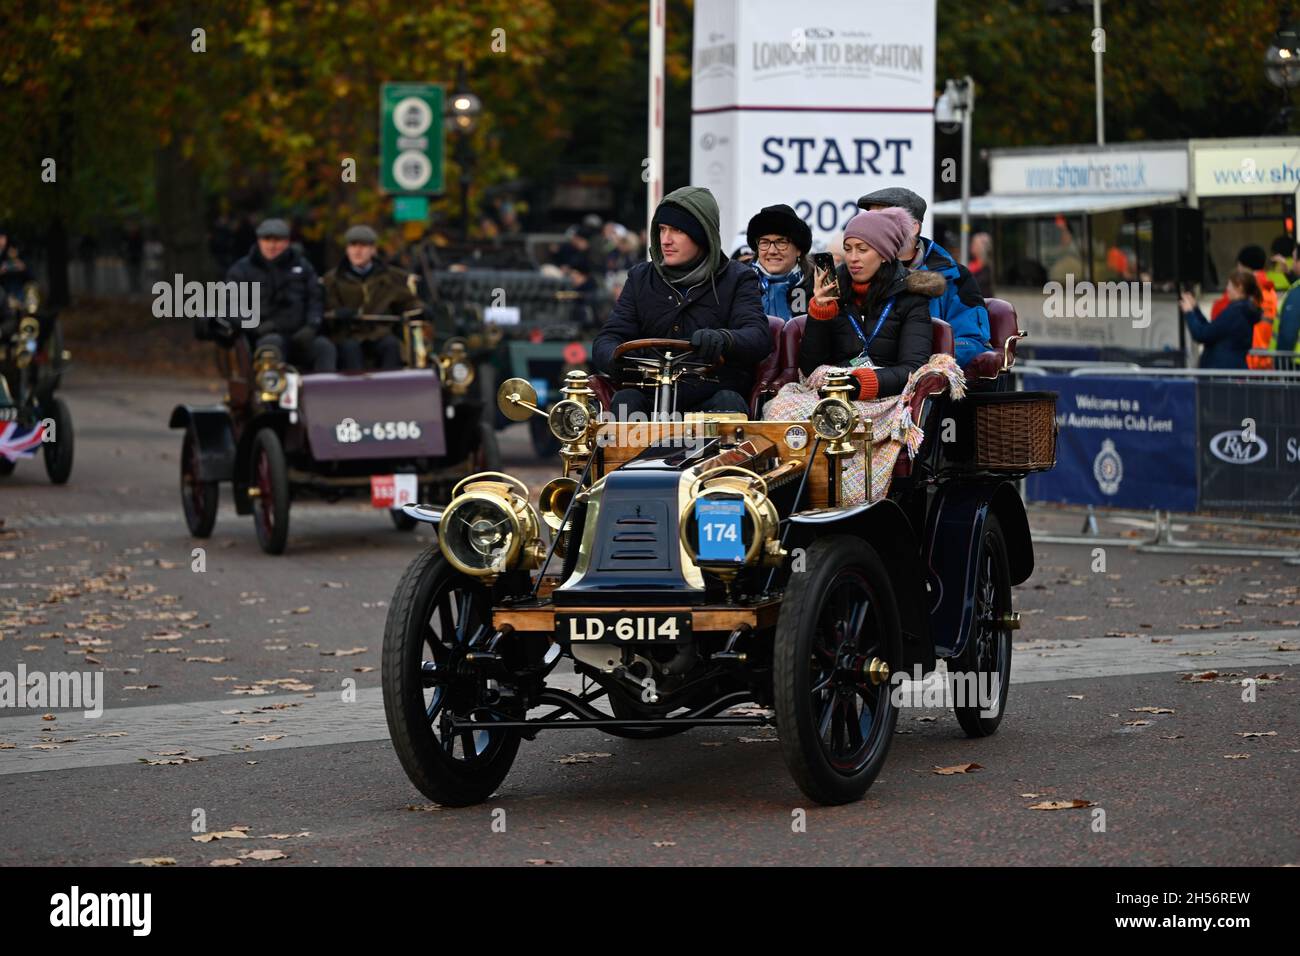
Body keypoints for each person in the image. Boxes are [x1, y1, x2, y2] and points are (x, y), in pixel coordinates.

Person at [593, 185, 771, 417]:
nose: (666, 240)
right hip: (649, 395)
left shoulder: (737, 277)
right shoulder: (641, 278)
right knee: (625, 401)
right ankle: (630, 454)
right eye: (662, 229)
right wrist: (616, 358)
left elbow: (758, 336)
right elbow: (607, 338)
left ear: (702, 234)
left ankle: (723, 455)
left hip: (712, 395)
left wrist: (722, 338)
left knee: (729, 403)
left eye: (677, 230)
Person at [796, 207, 945, 400]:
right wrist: (821, 313)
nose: (853, 258)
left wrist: (862, 382)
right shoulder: (833, 292)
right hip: (832, 392)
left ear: (884, 254)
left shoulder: (911, 297)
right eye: (848, 249)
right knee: (778, 411)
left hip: (887, 394)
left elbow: (913, 368)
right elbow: (810, 369)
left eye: (862, 249)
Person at [857, 187, 990, 367]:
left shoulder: (955, 276)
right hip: (863, 379)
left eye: (884, 220)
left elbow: (972, 341)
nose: (873, 229)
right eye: (869, 221)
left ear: (913, 228)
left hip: (928, 384)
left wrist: (926, 363)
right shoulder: (854, 274)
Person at [226, 218, 335, 372]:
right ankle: (271, 392)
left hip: (299, 336)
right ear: (259, 241)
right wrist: (256, 327)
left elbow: (315, 299)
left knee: (324, 347)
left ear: (287, 242)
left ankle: (325, 394)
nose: (272, 245)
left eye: (277, 240)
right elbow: (232, 308)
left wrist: (312, 325)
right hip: (263, 336)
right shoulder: (242, 270)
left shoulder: (303, 267)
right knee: (271, 345)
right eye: (267, 239)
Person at [322, 225, 421, 371]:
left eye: (363, 246)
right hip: (348, 334)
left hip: (380, 332)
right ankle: (354, 391)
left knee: (391, 346)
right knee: (349, 349)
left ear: (373, 250)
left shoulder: (391, 277)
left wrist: (421, 309)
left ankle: (392, 390)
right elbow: (327, 307)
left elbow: (408, 301)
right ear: (347, 250)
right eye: (353, 245)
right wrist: (338, 313)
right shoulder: (333, 279)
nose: (358, 251)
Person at [744, 203, 813, 321]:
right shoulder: (741, 284)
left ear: (798, 250)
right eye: (764, 242)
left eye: (781, 242)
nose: (772, 251)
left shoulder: (817, 287)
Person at [1179, 268, 1257, 370]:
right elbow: (1211, 331)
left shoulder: (1235, 313)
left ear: (1240, 288)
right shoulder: (1243, 310)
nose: (1227, 289)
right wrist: (1195, 310)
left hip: (1222, 373)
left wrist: (1189, 313)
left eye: (1230, 285)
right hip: (1230, 370)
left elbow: (1201, 334)